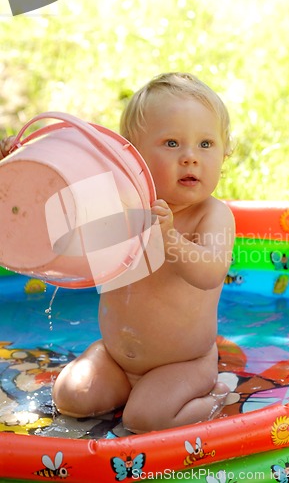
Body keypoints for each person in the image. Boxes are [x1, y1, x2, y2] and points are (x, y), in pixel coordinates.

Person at [1, 73, 235, 433]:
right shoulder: (118, 204)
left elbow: (210, 273)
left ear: (225, 152)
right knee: (70, 396)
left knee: (145, 419)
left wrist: (169, 236)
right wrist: (18, 179)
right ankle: (126, 388)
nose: (190, 158)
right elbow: (60, 233)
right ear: (132, 155)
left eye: (206, 144)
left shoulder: (212, 214)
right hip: (116, 357)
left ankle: (218, 396)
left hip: (183, 363)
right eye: (172, 143)